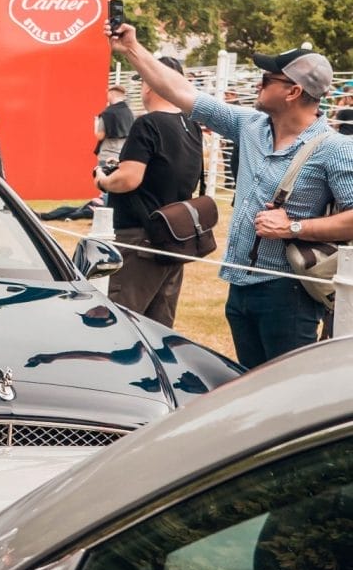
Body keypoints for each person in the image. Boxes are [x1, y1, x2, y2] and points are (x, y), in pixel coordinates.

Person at [112, 23, 353, 366]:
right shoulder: (250, 125)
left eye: (266, 79)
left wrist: (294, 228)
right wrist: (133, 49)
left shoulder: (335, 148)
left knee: (285, 388)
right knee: (249, 383)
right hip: (238, 286)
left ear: (293, 92)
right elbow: (180, 91)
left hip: (288, 293)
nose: (258, 84)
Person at [94, 56, 205, 327]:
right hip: (174, 236)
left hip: (139, 238)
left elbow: (128, 180)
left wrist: (103, 180)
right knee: (159, 327)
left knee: (122, 323)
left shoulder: (148, 124)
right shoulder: (191, 125)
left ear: (152, 84)